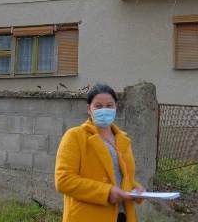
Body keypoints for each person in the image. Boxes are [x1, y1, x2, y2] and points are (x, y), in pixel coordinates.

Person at [55, 83, 145, 222]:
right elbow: (63, 180)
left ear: (116, 107)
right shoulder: (75, 136)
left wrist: (136, 189)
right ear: (89, 109)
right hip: (87, 216)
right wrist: (106, 192)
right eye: (98, 106)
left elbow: (124, 177)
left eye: (109, 106)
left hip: (123, 215)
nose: (104, 110)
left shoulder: (123, 139)